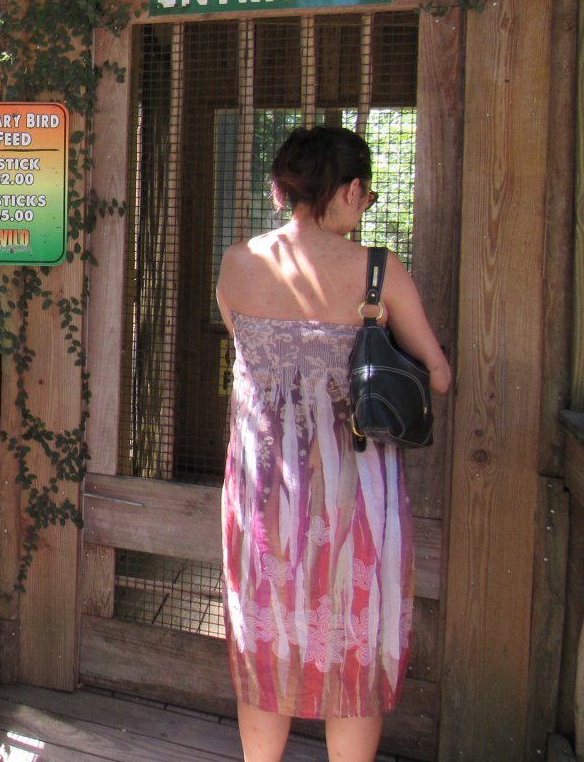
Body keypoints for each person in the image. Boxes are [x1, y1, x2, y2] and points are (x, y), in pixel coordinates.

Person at [214, 126, 452, 762]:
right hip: (357, 499)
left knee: (268, 645)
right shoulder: (378, 271)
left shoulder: (238, 264)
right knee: (354, 647)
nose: (364, 205)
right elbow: (439, 375)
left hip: (263, 492)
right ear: (349, 191)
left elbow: (247, 348)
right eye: (366, 195)